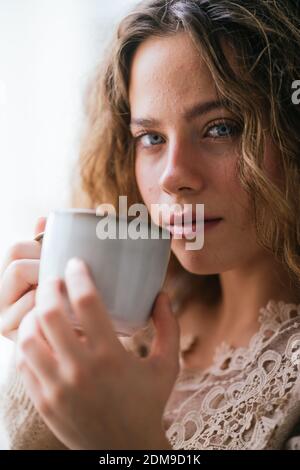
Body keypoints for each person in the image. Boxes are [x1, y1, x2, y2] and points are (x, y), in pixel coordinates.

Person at [0, 0, 300, 450]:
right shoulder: (132, 323)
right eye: (152, 138)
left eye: (221, 128)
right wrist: (51, 349)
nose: (172, 176)